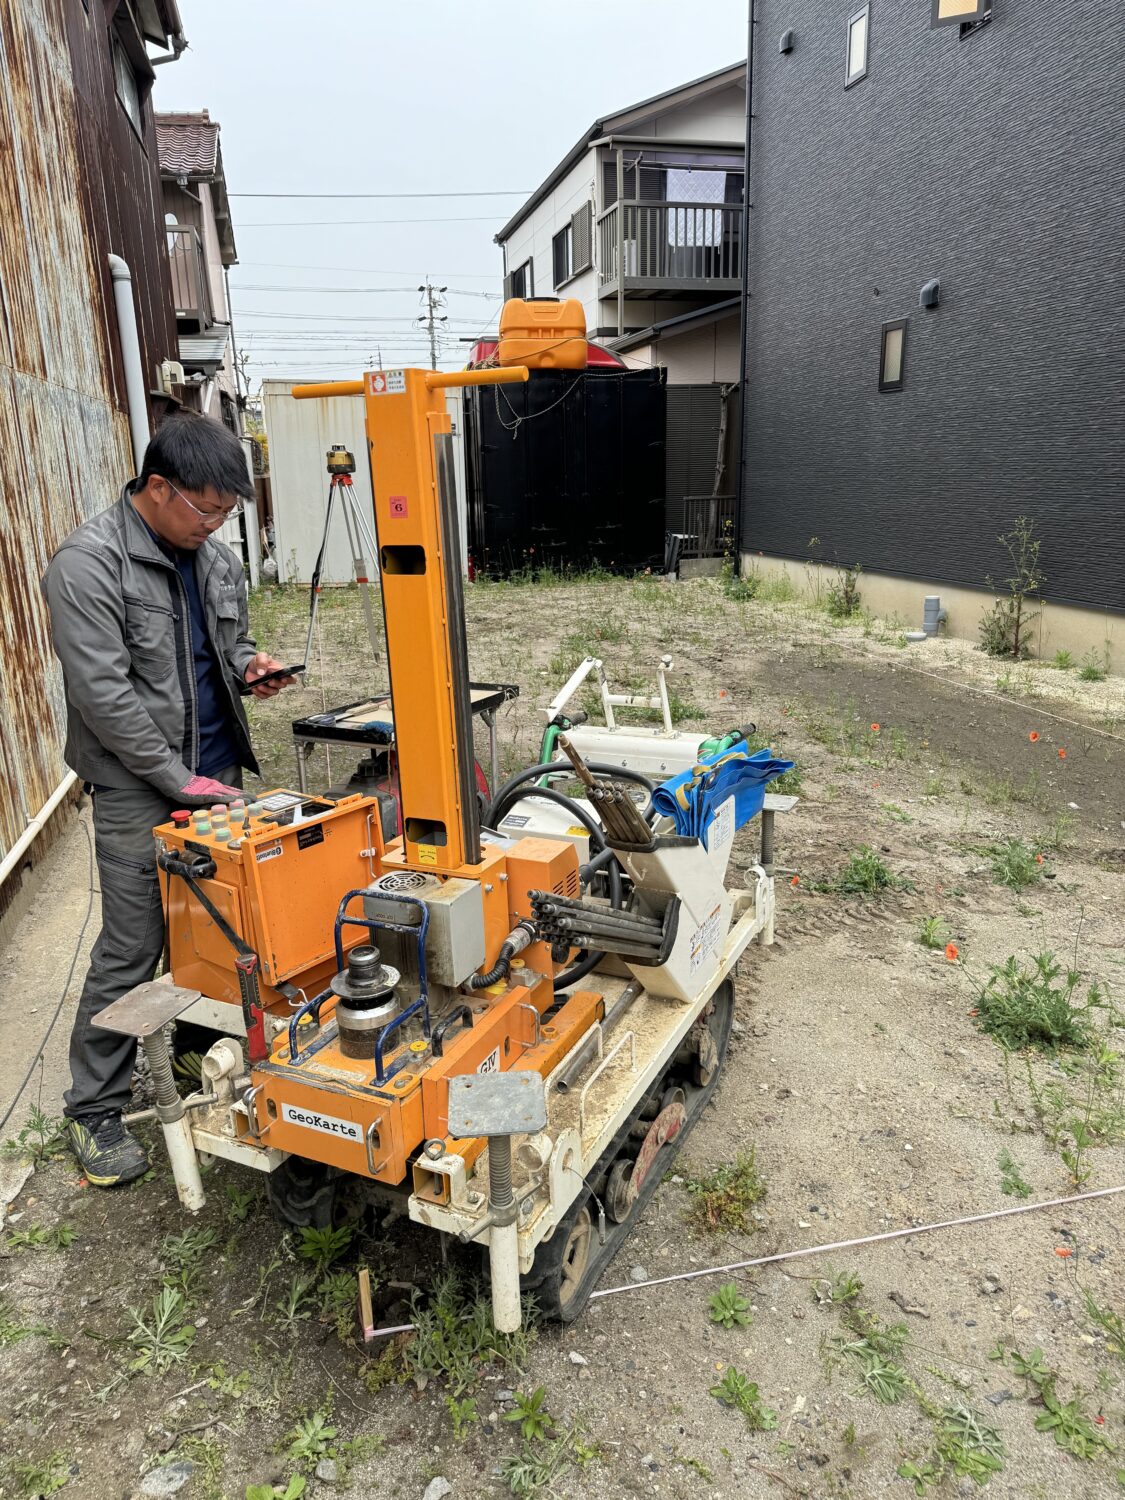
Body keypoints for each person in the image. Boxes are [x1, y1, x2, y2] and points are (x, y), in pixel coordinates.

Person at [42, 412, 296, 1187]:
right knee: (134, 943)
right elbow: (103, 696)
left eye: (225, 513)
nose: (215, 526)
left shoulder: (213, 560)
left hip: (214, 772)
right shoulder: (87, 565)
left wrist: (252, 667)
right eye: (206, 510)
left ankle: (195, 1050)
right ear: (159, 487)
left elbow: (227, 646)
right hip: (135, 784)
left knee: (223, 925)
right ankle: (94, 1109)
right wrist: (175, 779)